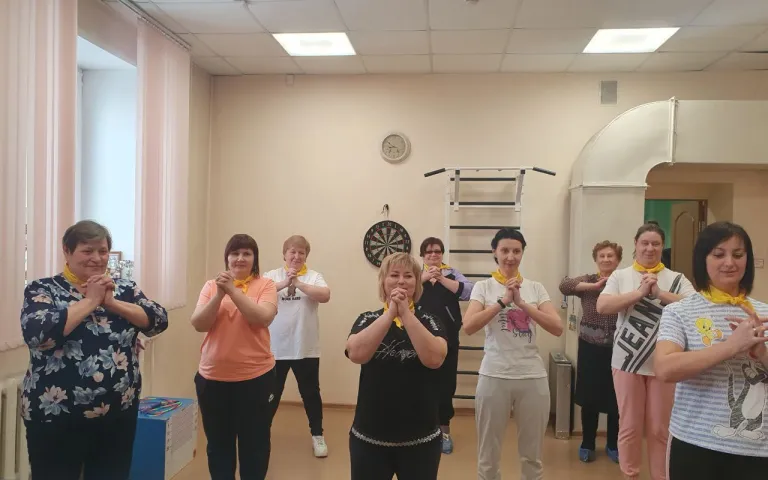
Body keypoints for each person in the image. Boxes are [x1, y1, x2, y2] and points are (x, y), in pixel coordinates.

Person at [20, 220, 168, 480]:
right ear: (67, 251)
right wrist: (91, 300)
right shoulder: (42, 289)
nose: (97, 258)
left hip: (117, 414)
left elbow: (158, 320)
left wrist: (112, 303)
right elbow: (37, 333)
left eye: (103, 251)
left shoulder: (125, 289)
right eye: (87, 251)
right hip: (55, 416)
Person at [655, 221, 768, 478]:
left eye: (738, 254)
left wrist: (761, 353)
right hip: (695, 442)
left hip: (758, 449)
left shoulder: (763, 313)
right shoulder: (679, 311)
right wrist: (731, 346)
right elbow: (664, 369)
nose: (729, 262)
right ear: (702, 260)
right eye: (718, 254)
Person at [596, 222, 695, 480]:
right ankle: (630, 474)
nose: (650, 248)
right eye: (645, 243)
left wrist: (660, 293)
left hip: (665, 364)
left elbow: (695, 307)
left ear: (662, 246)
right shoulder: (620, 276)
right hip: (627, 361)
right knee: (629, 425)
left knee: (660, 428)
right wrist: (639, 293)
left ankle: (661, 476)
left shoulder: (676, 279)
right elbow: (603, 306)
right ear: (636, 245)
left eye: (655, 243)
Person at [463, 228, 563, 480]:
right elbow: (469, 326)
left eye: (516, 251)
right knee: (488, 455)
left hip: (532, 376)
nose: (510, 256)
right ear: (494, 252)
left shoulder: (535, 288)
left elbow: (557, 327)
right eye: (505, 250)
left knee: (532, 456)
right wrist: (502, 302)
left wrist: (521, 303)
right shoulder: (483, 287)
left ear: (522, 253)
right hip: (494, 374)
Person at [345, 252, 448, 480]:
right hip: (369, 439)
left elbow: (435, 359)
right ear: (383, 281)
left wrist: (405, 314)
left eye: (408, 276)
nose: (401, 281)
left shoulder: (431, 320)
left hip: (421, 440)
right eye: (394, 275)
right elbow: (356, 354)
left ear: (417, 283)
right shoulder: (367, 319)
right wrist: (391, 313)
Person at [190, 234, 278, 480]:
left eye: (247, 253)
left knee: (255, 445)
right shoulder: (211, 287)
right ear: (227, 258)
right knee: (218, 445)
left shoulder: (266, 285)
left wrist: (232, 290)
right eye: (235, 253)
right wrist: (220, 294)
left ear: (254, 259)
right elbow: (199, 324)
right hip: (212, 379)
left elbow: (261, 318)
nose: (240, 258)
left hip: (256, 379)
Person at [264, 235, 331, 458]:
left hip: (306, 349)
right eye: (292, 251)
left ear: (306, 256)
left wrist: (299, 283)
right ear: (284, 254)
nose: (296, 256)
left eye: (301, 252)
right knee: (270, 394)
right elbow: (259, 294)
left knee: (311, 394)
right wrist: (285, 283)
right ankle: (261, 434)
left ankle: (317, 435)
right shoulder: (271, 276)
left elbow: (325, 295)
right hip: (275, 349)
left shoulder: (314, 276)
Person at [559, 240, 622, 464]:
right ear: (596, 259)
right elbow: (564, 286)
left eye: (610, 256)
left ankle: (613, 444)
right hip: (589, 348)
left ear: (618, 260)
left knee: (618, 398)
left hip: (619, 349)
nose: (606, 259)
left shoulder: (624, 281)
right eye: (601, 256)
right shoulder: (588, 280)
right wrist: (593, 287)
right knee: (589, 398)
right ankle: (587, 443)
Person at [416, 236, 474, 454]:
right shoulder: (414, 274)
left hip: (448, 339)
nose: (433, 255)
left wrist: (440, 278)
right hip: (419, 339)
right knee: (419, 383)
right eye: (429, 252)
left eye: (437, 251)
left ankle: (444, 431)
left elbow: (469, 292)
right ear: (422, 255)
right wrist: (424, 277)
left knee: (446, 384)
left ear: (442, 254)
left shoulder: (452, 274)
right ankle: (421, 430)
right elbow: (406, 291)